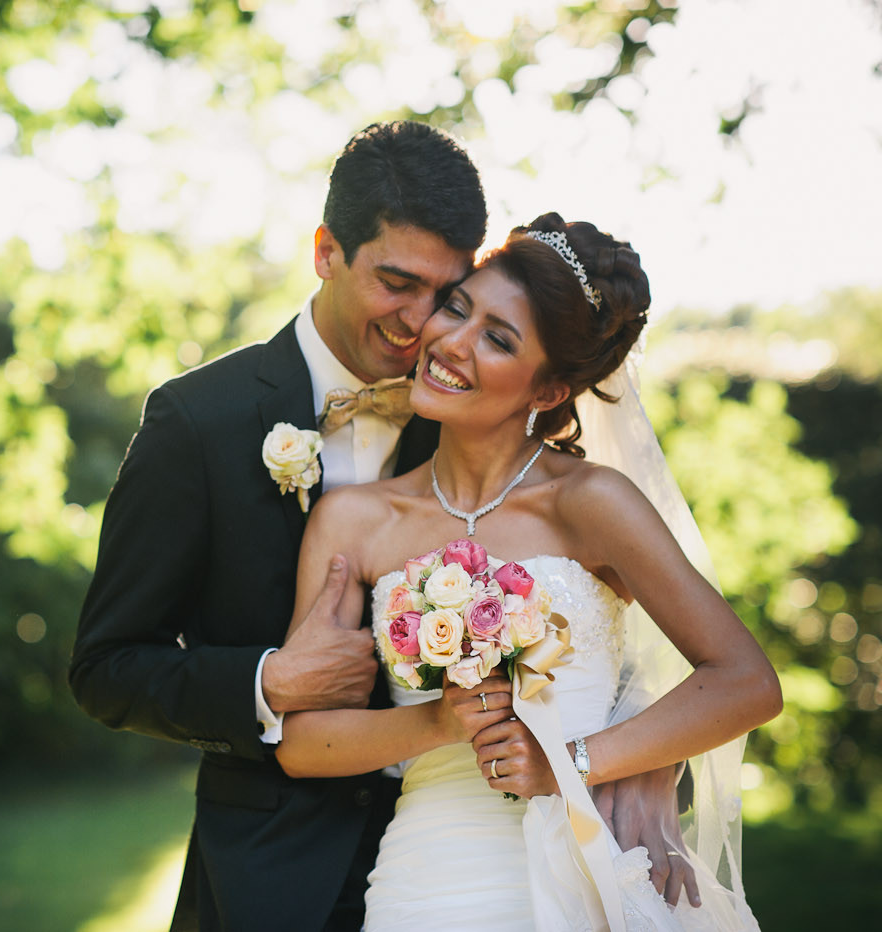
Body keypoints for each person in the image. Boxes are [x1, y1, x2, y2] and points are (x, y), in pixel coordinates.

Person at [274, 213, 782, 929]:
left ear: (545, 393)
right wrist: (436, 724)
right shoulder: (356, 521)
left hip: (577, 872)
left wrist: (572, 761)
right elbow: (300, 744)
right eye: (458, 308)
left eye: (498, 338)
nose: (452, 341)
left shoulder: (591, 504)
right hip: (424, 882)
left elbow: (746, 683)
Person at [69, 121, 487, 931]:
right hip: (270, 878)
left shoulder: (475, 415)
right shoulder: (197, 423)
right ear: (326, 250)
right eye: (396, 282)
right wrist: (269, 682)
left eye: (447, 293)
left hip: (456, 857)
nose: (421, 322)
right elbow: (107, 667)